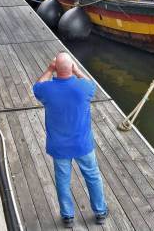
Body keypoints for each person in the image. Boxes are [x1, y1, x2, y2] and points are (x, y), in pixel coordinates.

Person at [33, 52, 108, 227]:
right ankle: (100, 212)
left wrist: (49, 69)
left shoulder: (47, 90)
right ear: (72, 68)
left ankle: (67, 216)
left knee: (62, 180)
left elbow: (37, 86)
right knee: (92, 176)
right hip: (83, 145)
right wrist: (77, 70)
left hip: (59, 147)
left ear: (56, 68)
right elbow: (90, 84)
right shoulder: (84, 88)